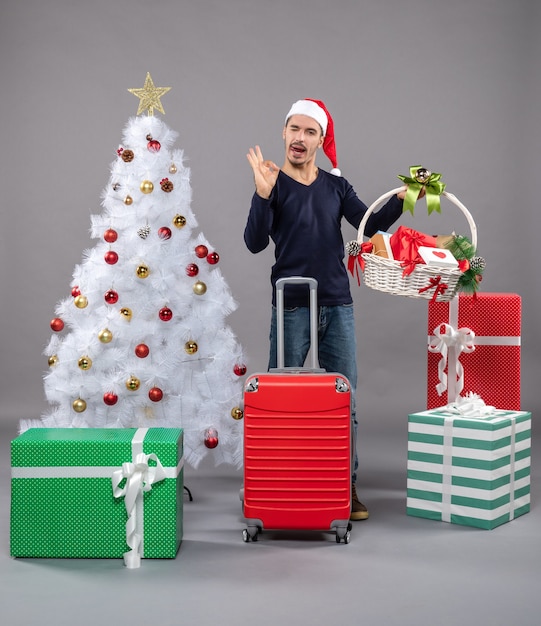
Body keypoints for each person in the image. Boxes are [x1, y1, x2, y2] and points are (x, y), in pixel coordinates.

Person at [244, 98, 407, 521]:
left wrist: (404, 198)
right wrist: (263, 196)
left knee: (343, 399)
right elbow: (254, 243)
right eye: (294, 129)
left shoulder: (337, 186)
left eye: (309, 131)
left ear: (320, 139)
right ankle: (275, 483)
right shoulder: (272, 182)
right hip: (292, 305)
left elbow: (368, 226)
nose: (299, 139)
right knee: (280, 398)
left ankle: (342, 487)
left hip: (336, 303)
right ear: (284, 133)